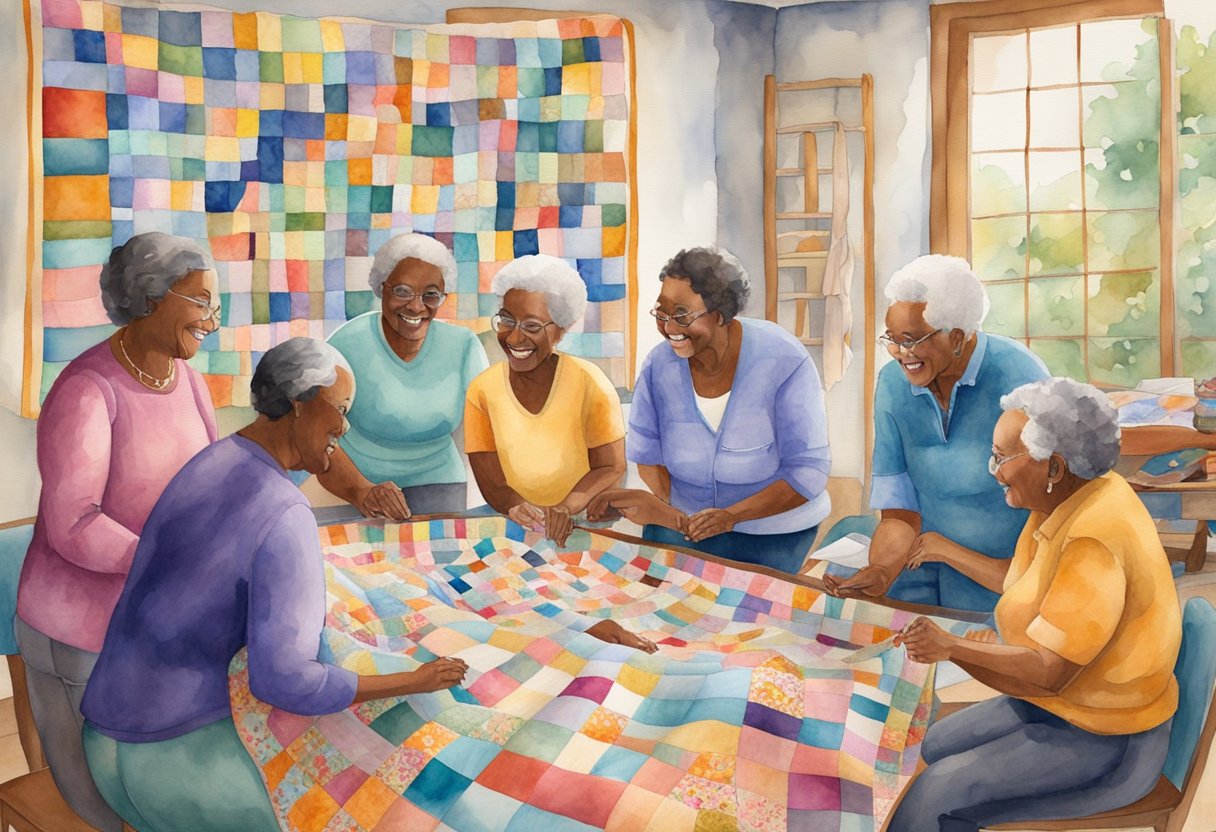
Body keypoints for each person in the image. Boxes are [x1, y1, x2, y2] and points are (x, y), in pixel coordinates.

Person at [80, 338, 471, 832]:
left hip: (104, 746)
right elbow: (286, 681)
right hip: (177, 763)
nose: (344, 428)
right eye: (341, 410)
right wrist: (415, 680)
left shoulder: (211, 463)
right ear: (298, 404)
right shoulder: (283, 510)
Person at [887, 378, 1181, 832]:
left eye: (1002, 458)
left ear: (1054, 468)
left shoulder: (1093, 539)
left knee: (934, 794)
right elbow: (1023, 581)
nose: (994, 470)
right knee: (933, 744)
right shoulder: (1063, 502)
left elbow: (1049, 671)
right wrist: (947, 549)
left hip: (1105, 738)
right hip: (1061, 708)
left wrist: (953, 648)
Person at [16, 232, 221, 831]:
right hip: (80, 630)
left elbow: (207, 485)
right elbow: (74, 526)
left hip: (155, 617)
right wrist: (171, 560)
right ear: (151, 297)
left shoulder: (188, 381)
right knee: (118, 805)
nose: (213, 319)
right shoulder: (86, 389)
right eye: (201, 302)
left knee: (180, 780)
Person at [823, 254, 1048, 611]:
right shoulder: (893, 385)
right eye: (892, 339)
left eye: (911, 340)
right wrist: (881, 569)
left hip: (1005, 574)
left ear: (956, 338)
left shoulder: (1020, 375)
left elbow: (1051, 510)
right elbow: (900, 512)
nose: (899, 353)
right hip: (921, 559)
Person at [587, 247, 830, 574]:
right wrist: (668, 512)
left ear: (719, 315)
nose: (669, 326)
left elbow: (807, 472)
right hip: (682, 524)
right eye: (661, 313)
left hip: (770, 533)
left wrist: (731, 517)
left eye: (682, 314)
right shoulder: (658, 366)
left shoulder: (784, 360)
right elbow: (648, 453)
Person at [320, 233, 488, 517]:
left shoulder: (464, 346)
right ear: (381, 288)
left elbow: (487, 435)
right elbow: (317, 434)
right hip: (355, 486)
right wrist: (361, 491)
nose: (415, 306)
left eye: (431, 294)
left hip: (440, 488)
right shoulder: (346, 344)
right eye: (402, 291)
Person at [465, 254, 626, 548]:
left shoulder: (591, 382)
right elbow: (491, 480)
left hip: (583, 524)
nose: (514, 338)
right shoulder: (482, 390)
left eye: (532, 326)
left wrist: (566, 507)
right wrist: (514, 505)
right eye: (507, 321)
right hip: (514, 522)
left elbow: (611, 467)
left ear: (560, 330)